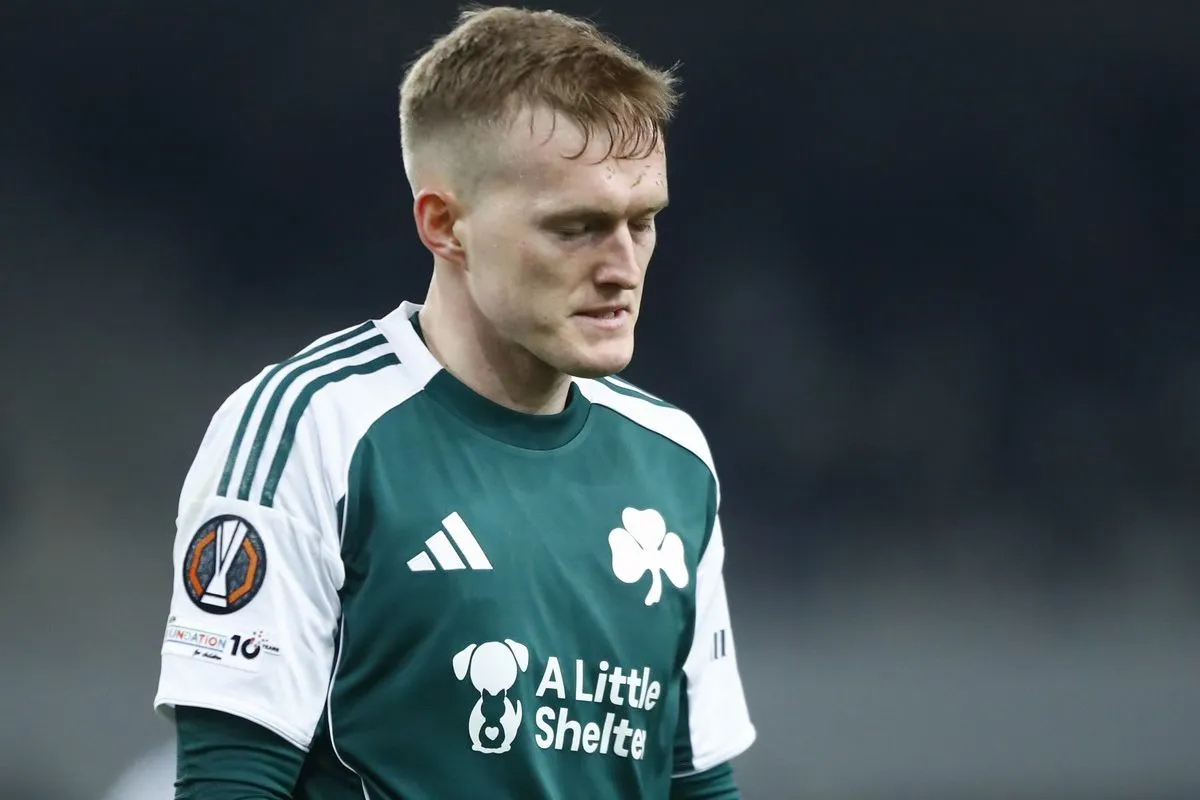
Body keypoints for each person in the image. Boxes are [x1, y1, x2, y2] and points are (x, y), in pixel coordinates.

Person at [154, 6, 755, 798]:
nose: (622, 266)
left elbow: (697, 783)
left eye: (641, 222)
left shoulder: (673, 458)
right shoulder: (311, 429)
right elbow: (231, 781)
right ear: (444, 226)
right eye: (576, 227)